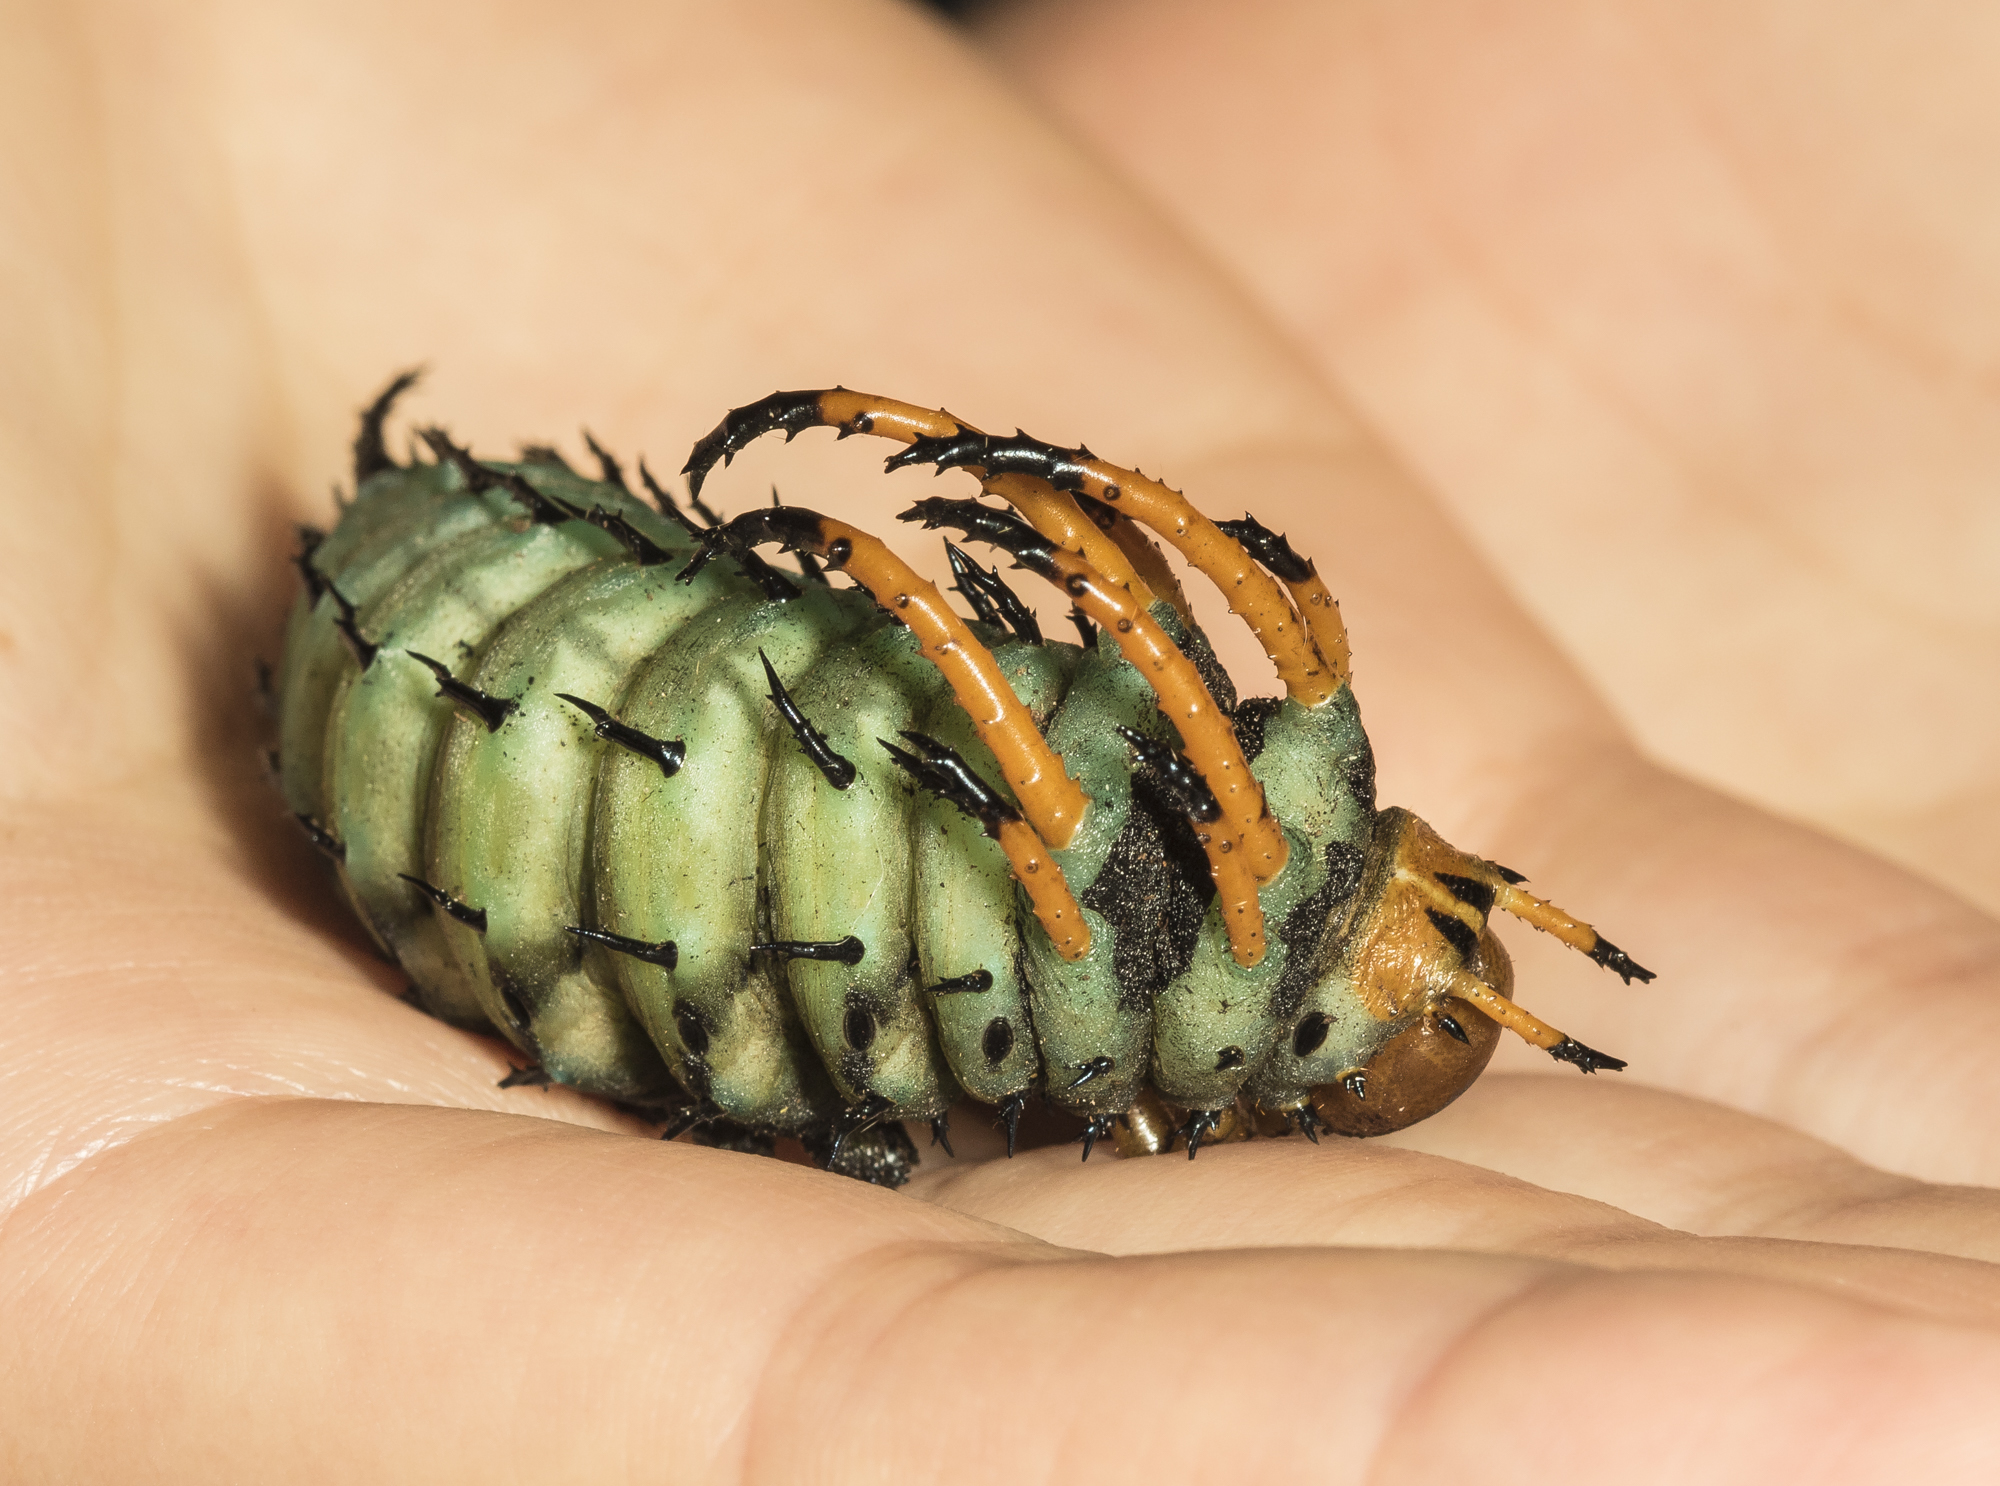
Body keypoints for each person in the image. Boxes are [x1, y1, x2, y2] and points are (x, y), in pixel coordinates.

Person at [3, 1, 1997, 1478]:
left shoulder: (1126, 918)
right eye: (1471, 918)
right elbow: (1110, 645)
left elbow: (1066, 661)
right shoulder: (1215, 818)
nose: (1435, 925)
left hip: (533, 774)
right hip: (519, 652)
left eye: (1441, 963)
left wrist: (979, 536)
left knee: (1018, 779)